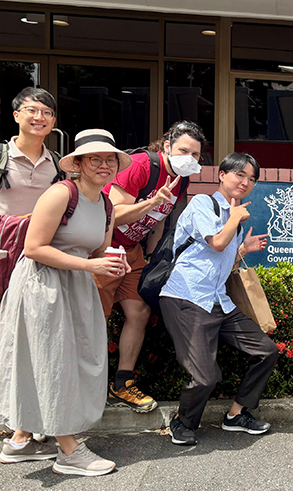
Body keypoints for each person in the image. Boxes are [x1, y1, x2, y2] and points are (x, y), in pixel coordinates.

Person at [0, 129, 131, 475]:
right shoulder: (60, 193)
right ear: (79, 164)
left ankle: (20, 440)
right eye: (95, 159)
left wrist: (115, 259)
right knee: (55, 361)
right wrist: (91, 264)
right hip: (42, 285)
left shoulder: (107, 202)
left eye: (109, 158)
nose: (104, 165)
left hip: (75, 286)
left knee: (69, 359)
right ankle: (69, 451)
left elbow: (97, 249)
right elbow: (34, 248)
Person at [160, 152, 278, 446]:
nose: (245, 182)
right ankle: (182, 422)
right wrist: (235, 220)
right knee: (205, 376)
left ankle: (236, 415)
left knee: (266, 350)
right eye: (240, 175)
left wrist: (242, 250)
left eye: (251, 179)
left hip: (219, 302)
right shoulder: (203, 203)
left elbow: (223, 263)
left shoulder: (234, 219)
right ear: (222, 174)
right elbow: (216, 243)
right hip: (186, 298)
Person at [97, 120, 206, 413]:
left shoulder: (182, 179)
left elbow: (157, 222)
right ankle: (85, 386)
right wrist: (152, 202)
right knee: (95, 317)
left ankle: (121, 384)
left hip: (132, 252)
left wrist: (153, 260)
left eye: (195, 155)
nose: (189, 159)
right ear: (167, 146)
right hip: (102, 248)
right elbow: (114, 214)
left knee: (139, 311)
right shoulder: (142, 165)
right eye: (184, 151)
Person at [0, 88, 62, 462]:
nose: (39, 117)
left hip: (35, 265)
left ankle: (25, 421)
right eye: (32, 110)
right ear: (16, 115)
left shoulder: (58, 165)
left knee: (30, 343)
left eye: (47, 112)